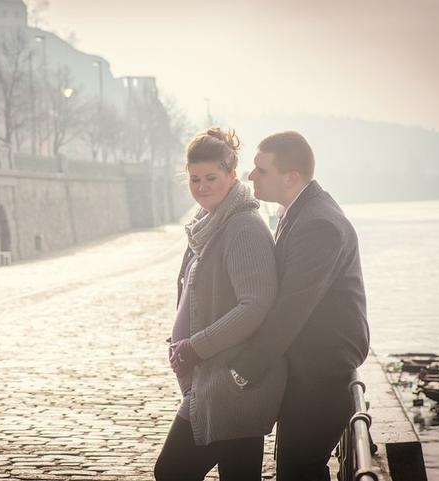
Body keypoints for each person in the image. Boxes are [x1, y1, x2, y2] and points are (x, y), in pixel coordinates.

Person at [227, 131, 370, 481]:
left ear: (291, 177)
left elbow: (291, 308)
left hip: (321, 373)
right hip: (307, 369)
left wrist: (243, 370)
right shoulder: (300, 210)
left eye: (261, 170)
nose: (251, 175)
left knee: (299, 471)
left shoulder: (318, 223)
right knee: (296, 469)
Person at [154, 127, 287, 481]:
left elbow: (255, 304)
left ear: (231, 175)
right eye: (194, 179)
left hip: (230, 383)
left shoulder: (242, 227)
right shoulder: (210, 223)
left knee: (171, 472)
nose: (201, 187)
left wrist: (194, 347)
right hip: (223, 380)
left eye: (211, 178)